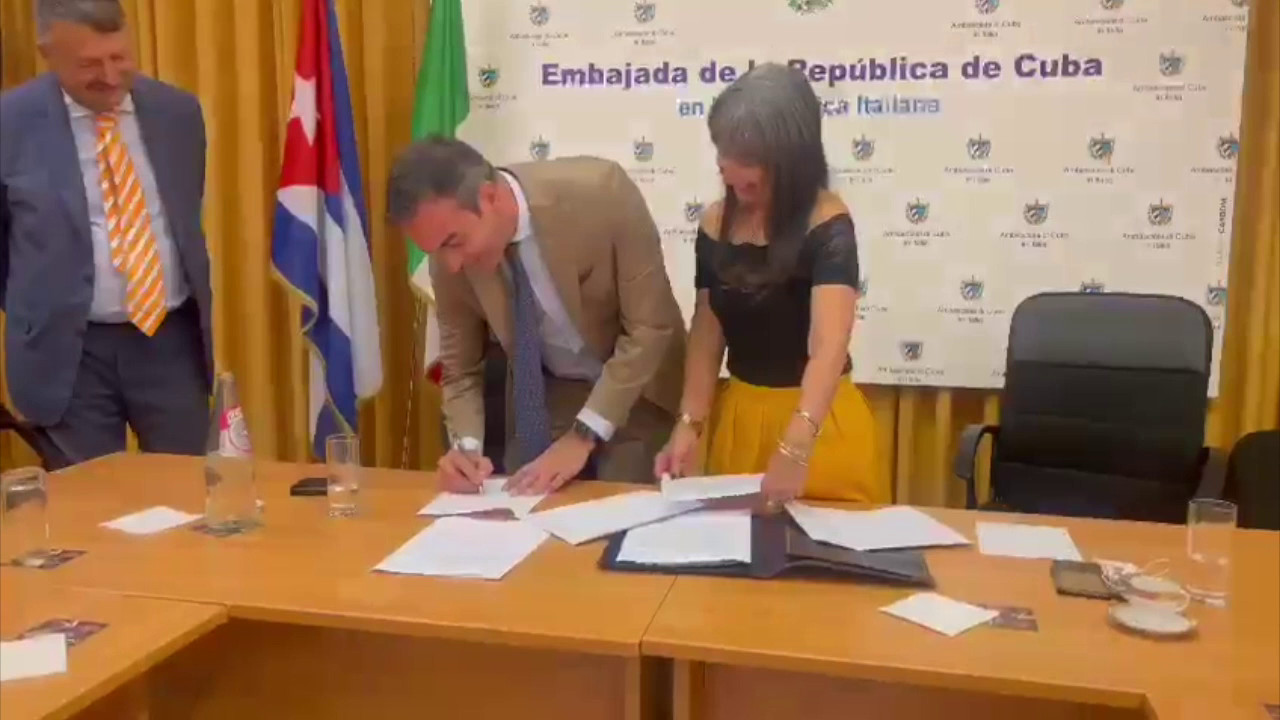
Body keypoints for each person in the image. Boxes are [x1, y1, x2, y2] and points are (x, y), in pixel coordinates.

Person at [388, 137, 686, 494]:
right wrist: (466, 450)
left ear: (489, 197)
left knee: (622, 505)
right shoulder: (447, 256)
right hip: (551, 393)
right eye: (436, 252)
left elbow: (650, 329)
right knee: (526, 503)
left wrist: (582, 436)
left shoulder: (603, 195)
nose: (451, 265)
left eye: (454, 242)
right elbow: (461, 369)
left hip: (638, 387)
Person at [653, 63, 886, 506]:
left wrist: (797, 444)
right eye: (725, 157)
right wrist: (689, 423)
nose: (732, 175)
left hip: (816, 422)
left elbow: (829, 347)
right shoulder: (714, 222)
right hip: (741, 418)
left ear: (791, 160)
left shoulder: (827, 223)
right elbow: (707, 332)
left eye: (749, 164)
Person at [0, 0, 213, 466]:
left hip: (169, 341)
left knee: (188, 488)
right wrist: (37, 309)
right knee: (89, 499)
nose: (112, 76)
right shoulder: (9, 124)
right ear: (47, 53)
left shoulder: (178, 113)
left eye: (119, 57)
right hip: (67, 355)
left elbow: (185, 213)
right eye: (90, 65)